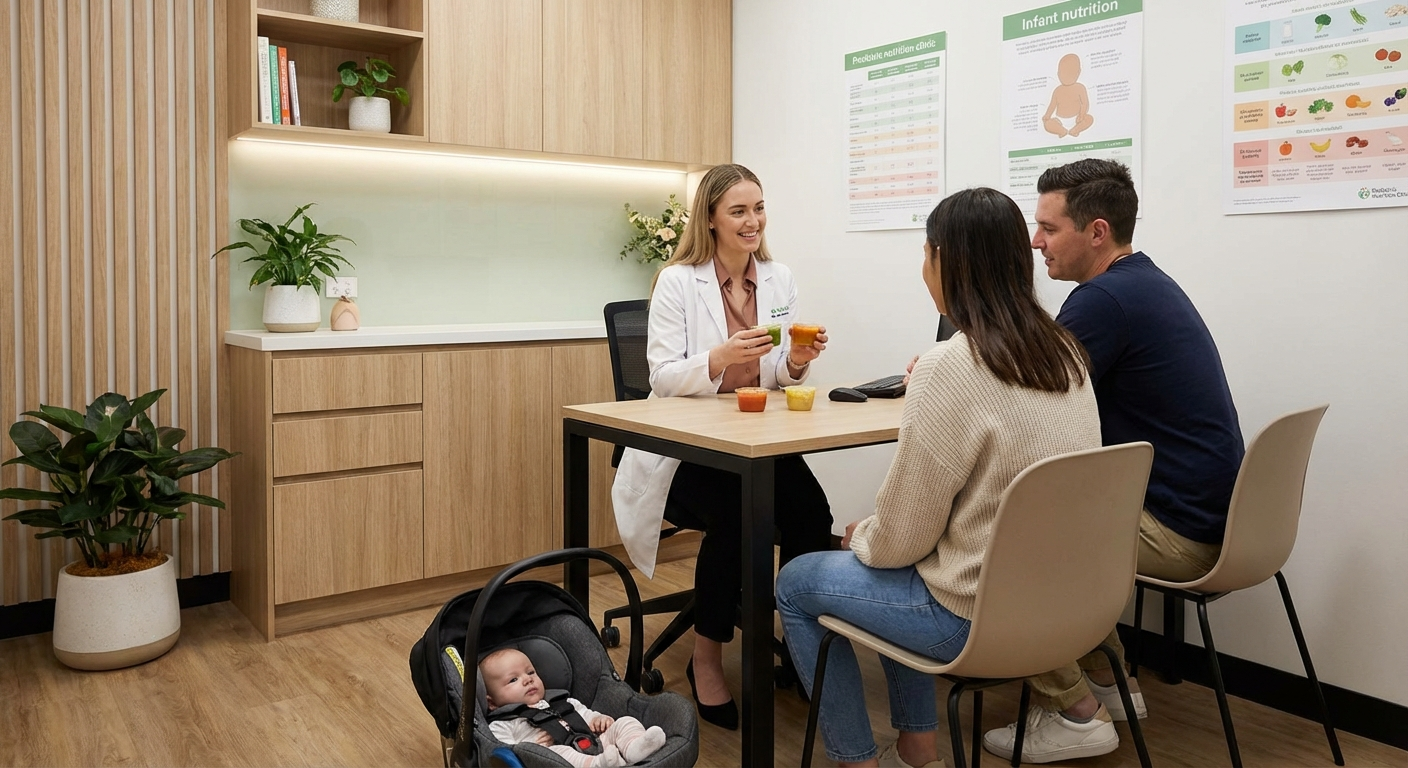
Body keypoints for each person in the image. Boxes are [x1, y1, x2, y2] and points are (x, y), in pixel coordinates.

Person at [775, 187, 1101, 768]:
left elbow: (901, 540)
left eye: (926, 254)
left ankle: (858, 760)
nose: (922, 268)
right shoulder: (1066, 353)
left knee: (799, 581)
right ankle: (916, 749)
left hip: (974, 619)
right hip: (1069, 607)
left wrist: (865, 537)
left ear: (945, 261)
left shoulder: (949, 368)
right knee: (898, 564)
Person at [982, 159, 1245, 763]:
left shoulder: (1101, 301)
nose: (1033, 240)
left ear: (1096, 232)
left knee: (1012, 541)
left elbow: (1029, 406)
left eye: (1048, 227)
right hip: (1214, 518)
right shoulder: (1144, 281)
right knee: (1062, 523)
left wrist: (945, 376)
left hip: (1182, 532)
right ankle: (1109, 682)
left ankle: (1076, 714)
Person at [610, 163, 834, 730]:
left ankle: (802, 642)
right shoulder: (677, 282)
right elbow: (660, 376)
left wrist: (797, 361)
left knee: (812, 514)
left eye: (758, 208)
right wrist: (719, 358)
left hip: (756, 437)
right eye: (738, 210)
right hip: (690, 449)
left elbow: (779, 370)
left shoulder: (778, 278)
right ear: (710, 219)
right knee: (737, 517)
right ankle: (706, 660)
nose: (752, 220)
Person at [480, 648, 667, 768]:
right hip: (559, 757)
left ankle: (635, 747)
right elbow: (503, 752)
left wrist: (598, 719)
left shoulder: (561, 701)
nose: (527, 679)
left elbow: (584, 713)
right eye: (513, 679)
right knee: (559, 754)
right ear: (492, 702)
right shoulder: (502, 724)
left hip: (596, 741)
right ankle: (598, 765)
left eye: (530, 672)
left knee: (624, 722)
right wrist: (533, 750)